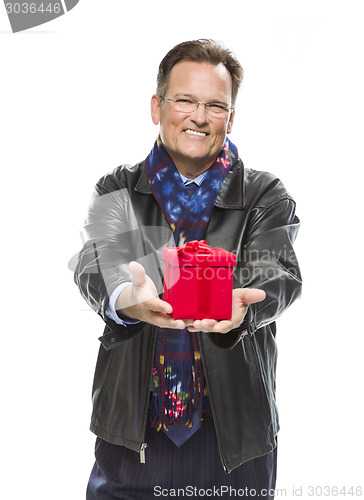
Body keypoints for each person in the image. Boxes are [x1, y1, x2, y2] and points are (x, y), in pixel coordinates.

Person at [74, 39, 302, 499]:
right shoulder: (117, 186)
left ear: (231, 118)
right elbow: (97, 259)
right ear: (157, 107)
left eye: (215, 105)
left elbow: (276, 269)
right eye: (185, 101)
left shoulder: (263, 193)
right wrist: (125, 298)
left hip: (234, 440)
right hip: (133, 435)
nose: (199, 117)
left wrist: (244, 311)